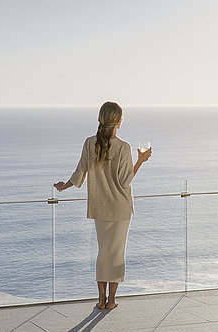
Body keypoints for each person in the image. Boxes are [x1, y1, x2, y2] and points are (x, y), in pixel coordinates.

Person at [54, 101, 152, 310]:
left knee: (103, 253)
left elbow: (79, 173)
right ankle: (111, 301)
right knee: (116, 254)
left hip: (100, 209)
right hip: (120, 209)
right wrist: (141, 160)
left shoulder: (89, 143)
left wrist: (64, 186)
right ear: (118, 121)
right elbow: (125, 181)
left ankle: (100, 300)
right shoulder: (123, 147)